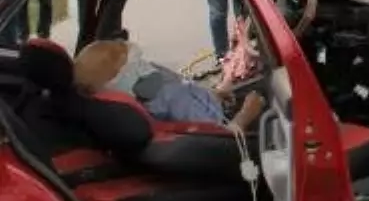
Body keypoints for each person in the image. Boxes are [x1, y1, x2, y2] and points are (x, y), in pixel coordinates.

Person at [74, 39, 265, 134]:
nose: (146, 65)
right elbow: (222, 138)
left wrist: (211, 94)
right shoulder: (170, 99)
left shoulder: (145, 103)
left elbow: (182, 88)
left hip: (211, 108)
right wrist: (246, 114)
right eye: (136, 62)